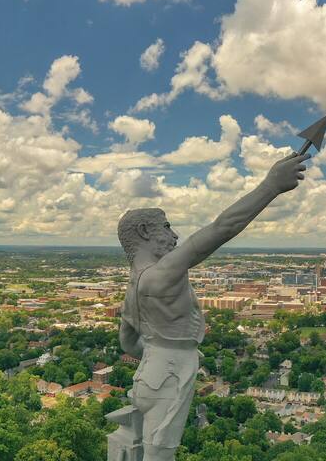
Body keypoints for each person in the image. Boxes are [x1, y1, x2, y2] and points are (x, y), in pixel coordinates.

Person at [112, 151, 310, 461]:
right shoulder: (162, 274)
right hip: (169, 379)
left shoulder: (133, 284)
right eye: (165, 227)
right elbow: (222, 228)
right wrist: (271, 186)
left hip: (148, 377)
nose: (174, 235)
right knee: (159, 456)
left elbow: (127, 340)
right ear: (143, 234)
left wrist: (160, 351)